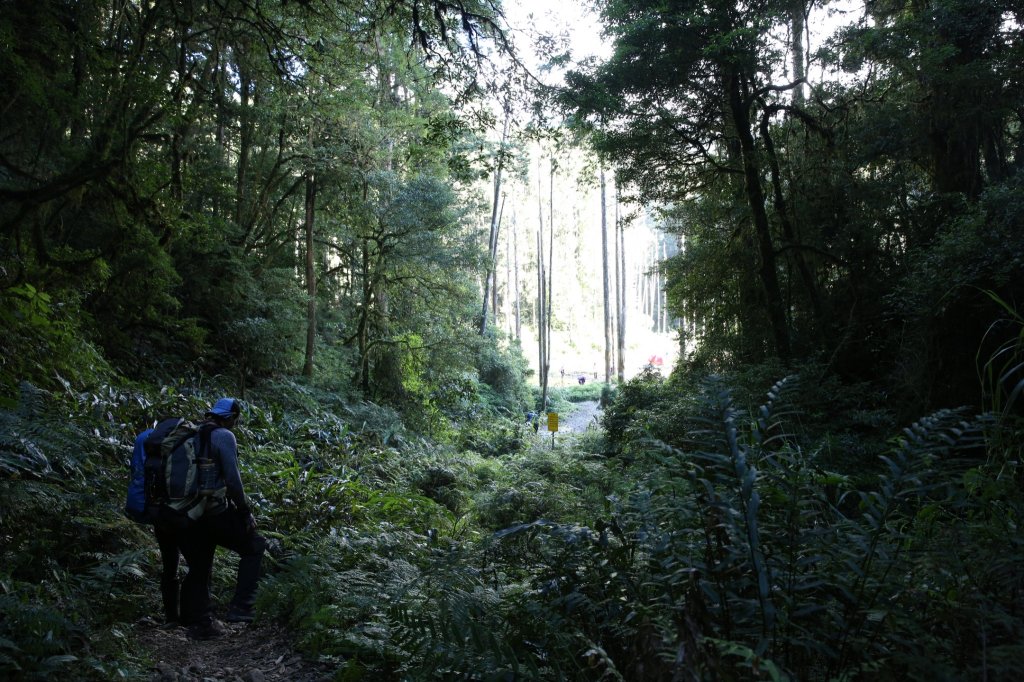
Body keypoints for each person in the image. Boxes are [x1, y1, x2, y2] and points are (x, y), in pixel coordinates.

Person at [179, 398, 267, 639]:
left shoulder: (188, 433)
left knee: (200, 563)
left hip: (185, 510)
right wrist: (245, 511)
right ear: (230, 418)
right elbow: (232, 480)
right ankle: (241, 607)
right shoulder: (224, 436)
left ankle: (196, 619)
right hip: (213, 511)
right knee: (254, 546)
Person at [125, 426, 182, 626]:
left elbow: (138, 471)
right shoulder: (192, 438)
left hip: (157, 507)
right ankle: (196, 616)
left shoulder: (145, 438)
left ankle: (172, 618)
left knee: (170, 563)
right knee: (198, 563)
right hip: (186, 509)